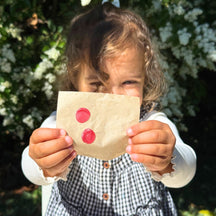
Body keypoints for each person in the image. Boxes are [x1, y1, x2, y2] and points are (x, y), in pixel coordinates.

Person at [21, 2, 196, 216]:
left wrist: (169, 159)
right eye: (96, 83)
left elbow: (187, 170)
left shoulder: (151, 122)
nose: (113, 95)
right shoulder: (61, 124)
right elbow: (30, 168)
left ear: (144, 78)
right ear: (75, 80)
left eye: (128, 82)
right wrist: (42, 162)